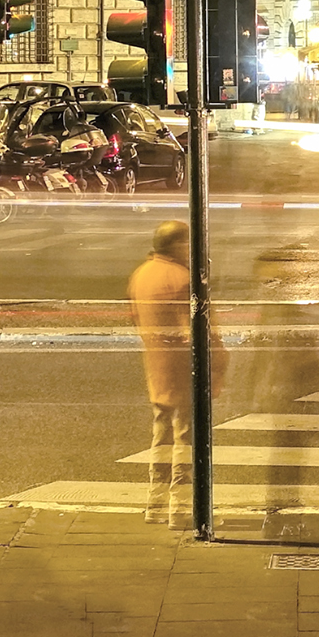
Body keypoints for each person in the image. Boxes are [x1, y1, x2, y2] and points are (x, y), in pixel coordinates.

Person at [128, 221, 219, 523]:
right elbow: (199, 331)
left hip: (157, 369)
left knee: (162, 436)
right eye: (190, 244)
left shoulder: (142, 274)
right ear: (178, 246)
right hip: (185, 370)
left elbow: (136, 319)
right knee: (186, 439)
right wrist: (217, 364)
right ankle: (181, 509)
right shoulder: (183, 280)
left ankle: (155, 504)